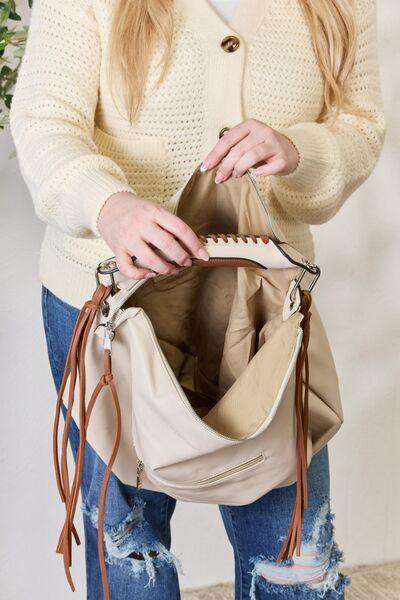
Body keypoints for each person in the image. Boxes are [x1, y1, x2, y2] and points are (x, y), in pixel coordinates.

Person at [10, 0, 385, 598]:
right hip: (108, 308)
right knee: (130, 554)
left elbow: (359, 125)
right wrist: (109, 206)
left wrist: (300, 150)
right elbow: (44, 118)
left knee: (295, 562)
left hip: (263, 314)